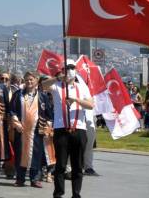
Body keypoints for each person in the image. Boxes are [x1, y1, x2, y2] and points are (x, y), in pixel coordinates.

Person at [41, 60, 95, 198]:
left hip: (79, 129)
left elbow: (90, 105)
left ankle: (76, 194)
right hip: (61, 129)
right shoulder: (57, 86)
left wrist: (76, 100)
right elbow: (43, 85)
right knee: (61, 165)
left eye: (71, 68)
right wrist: (58, 77)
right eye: (66, 68)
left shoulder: (82, 87)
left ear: (76, 70)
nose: (69, 71)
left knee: (77, 166)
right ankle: (58, 193)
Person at [10, 71, 51, 188]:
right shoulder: (18, 94)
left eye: (31, 79)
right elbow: (12, 110)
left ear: (36, 81)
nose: (29, 82)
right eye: (27, 79)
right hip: (21, 130)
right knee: (20, 154)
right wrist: (16, 123)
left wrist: (47, 126)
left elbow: (48, 113)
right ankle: (20, 179)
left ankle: (34, 179)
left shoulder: (43, 96)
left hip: (36, 131)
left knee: (36, 155)